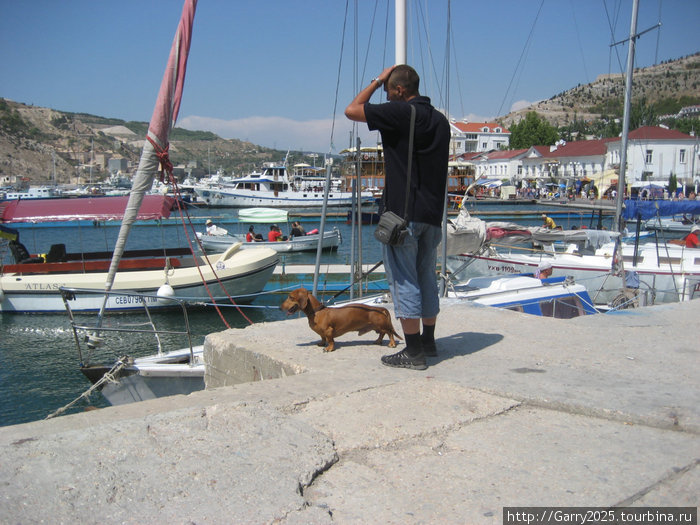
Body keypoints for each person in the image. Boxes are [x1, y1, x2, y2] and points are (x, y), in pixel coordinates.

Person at [345, 64, 450, 371]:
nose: (387, 96)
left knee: (404, 281)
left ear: (400, 91)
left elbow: (353, 110)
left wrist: (378, 79)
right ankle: (428, 342)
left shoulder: (402, 113)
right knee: (426, 276)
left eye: (389, 91)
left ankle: (413, 352)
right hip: (432, 215)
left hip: (403, 216)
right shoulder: (441, 122)